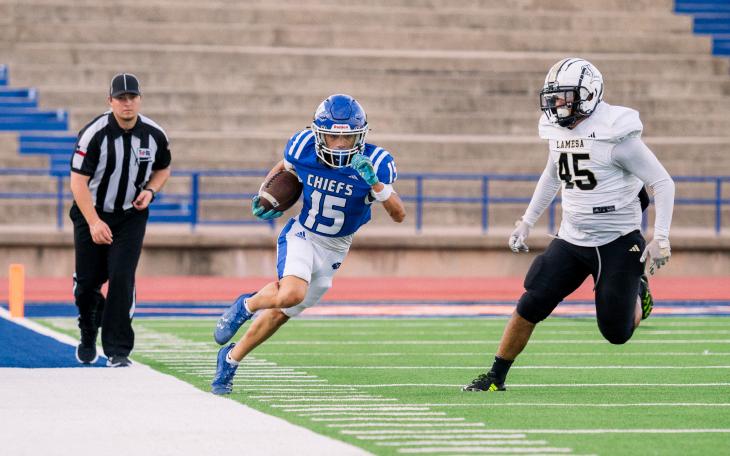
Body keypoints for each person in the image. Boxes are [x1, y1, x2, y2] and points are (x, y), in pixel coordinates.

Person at [462, 58, 675, 392]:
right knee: (532, 301)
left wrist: (660, 237)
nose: (556, 104)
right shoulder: (557, 131)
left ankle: (638, 290)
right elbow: (552, 175)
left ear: (588, 95)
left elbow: (662, 183)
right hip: (572, 236)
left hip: (617, 239)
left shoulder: (617, 134)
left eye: (564, 96)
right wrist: (527, 221)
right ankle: (496, 375)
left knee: (616, 334)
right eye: (554, 96)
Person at [210, 93, 406, 394]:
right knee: (290, 292)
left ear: (360, 136)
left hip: (336, 247)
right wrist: (265, 193)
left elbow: (399, 215)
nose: (340, 145)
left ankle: (231, 360)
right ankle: (244, 305)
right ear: (319, 134)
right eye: (331, 137)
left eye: (348, 138)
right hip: (303, 234)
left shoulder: (376, 163)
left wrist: (376, 185)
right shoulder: (304, 147)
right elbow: (284, 166)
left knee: (280, 314)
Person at [69, 73, 171, 367]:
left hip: (130, 216)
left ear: (140, 99)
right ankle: (88, 333)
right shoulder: (94, 134)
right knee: (88, 285)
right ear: (110, 101)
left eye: (132, 97)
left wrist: (150, 191)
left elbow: (164, 168)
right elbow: (78, 183)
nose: (127, 103)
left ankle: (118, 350)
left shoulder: (154, 134)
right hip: (92, 212)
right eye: (121, 98)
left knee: (122, 278)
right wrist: (94, 222)